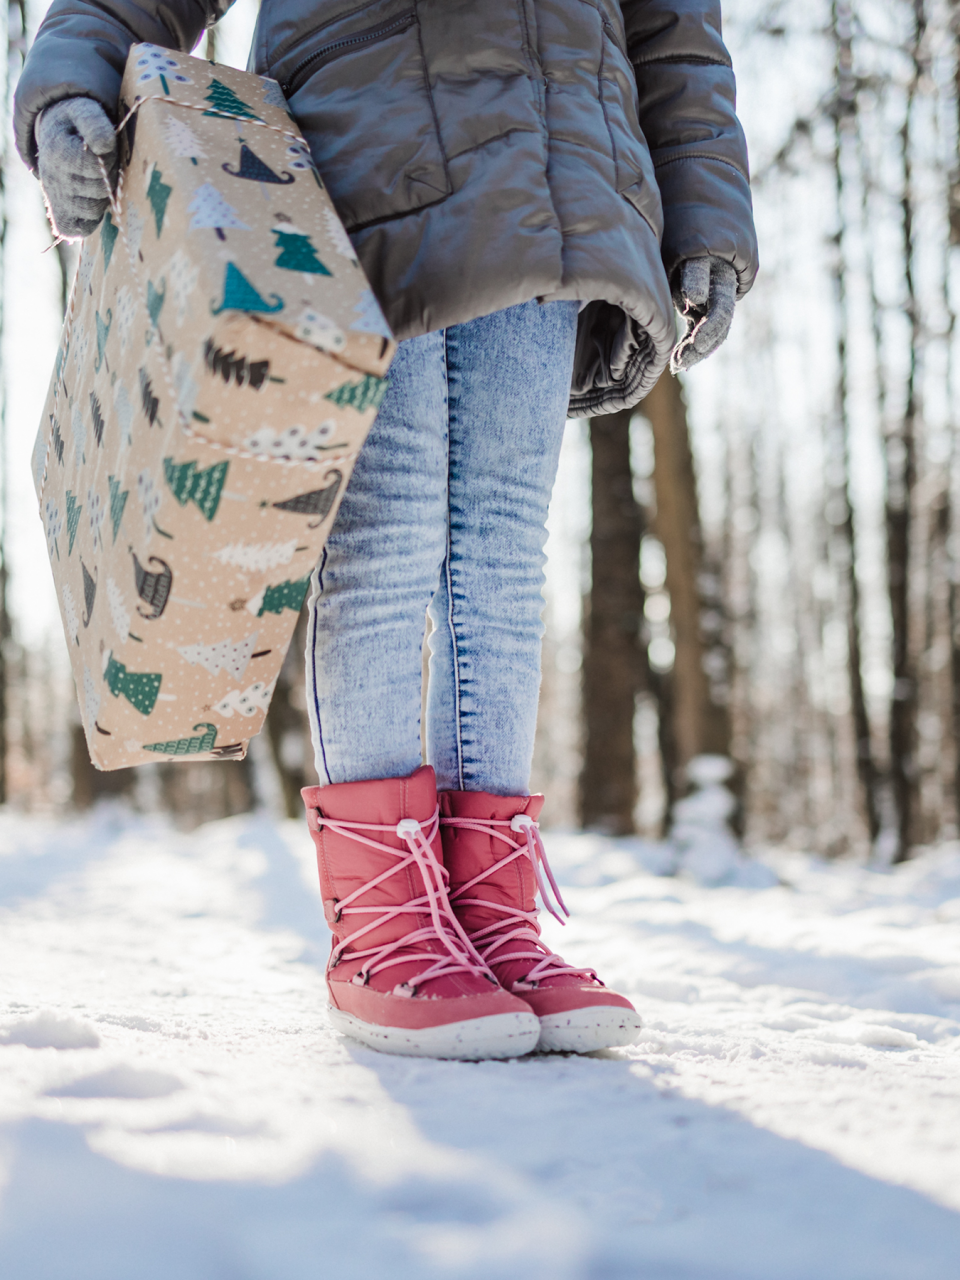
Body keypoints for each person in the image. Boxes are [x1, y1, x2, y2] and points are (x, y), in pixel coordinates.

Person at [15, 0, 758, 1061]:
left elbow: (675, 30)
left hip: (563, 171)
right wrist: (68, 84)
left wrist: (708, 216)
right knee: (387, 534)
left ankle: (489, 914)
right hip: (368, 154)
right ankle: (384, 928)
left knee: (503, 555)